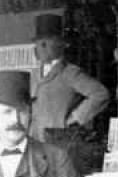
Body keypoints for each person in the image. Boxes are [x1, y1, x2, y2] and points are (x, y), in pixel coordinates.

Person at [30, 13, 109, 143]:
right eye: (39, 42)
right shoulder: (33, 75)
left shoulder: (69, 73)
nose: (41, 47)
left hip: (58, 143)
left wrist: (74, 119)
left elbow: (100, 94)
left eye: (47, 42)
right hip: (35, 142)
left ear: (60, 44)